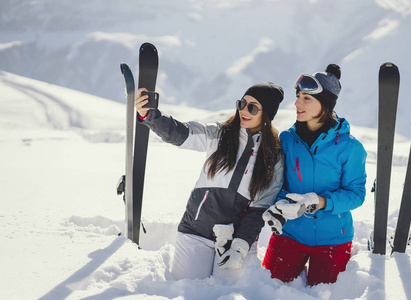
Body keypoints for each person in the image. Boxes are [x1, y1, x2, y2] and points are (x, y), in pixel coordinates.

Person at [135, 82, 285, 280]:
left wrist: (240, 247)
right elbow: (181, 133)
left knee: (227, 292)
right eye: (242, 103)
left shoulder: (273, 156)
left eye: (253, 107)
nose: (244, 111)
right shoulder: (219, 134)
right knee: (186, 288)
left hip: (237, 239)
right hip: (196, 230)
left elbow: (260, 207)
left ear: (267, 114)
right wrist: (150, 115)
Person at [261, 64, 367, 286]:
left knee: (324, 295)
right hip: (290, 235)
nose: (297, 103)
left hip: (333, 240)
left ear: (325, 105)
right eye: (298, 96)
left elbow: (355, 194)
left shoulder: (349, 147)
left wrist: (318, 201)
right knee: (267, 290)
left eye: (306, 98)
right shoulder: (288, 140)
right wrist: (280, 206)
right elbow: (276, 184)